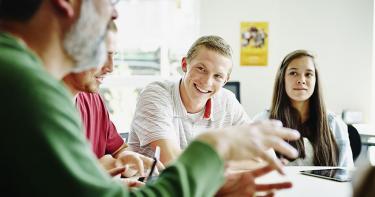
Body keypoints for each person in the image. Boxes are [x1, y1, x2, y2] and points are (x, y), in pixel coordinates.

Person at [0, 0, 300, 196]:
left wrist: (209, 184)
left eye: (218, 76)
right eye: (111, 6)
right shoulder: (22, 84)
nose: (114, 14)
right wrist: (213, 148)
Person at [128, 35, 252, 165]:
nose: (207, 82)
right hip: (152, 184)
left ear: (225, 80)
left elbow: (264, 155)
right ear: (184, 65)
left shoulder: (227, 101)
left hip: (206, 184)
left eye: (218, 76)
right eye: (201, 69)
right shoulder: (156, 94)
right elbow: (173, 163)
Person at [62, 21, 162, 179]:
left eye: (113, 55)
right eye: (102, 56)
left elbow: (118, 149)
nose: (110, 67)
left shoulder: (93, 100)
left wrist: (126, 160)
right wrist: (96, 171)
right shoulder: (37, 108)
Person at [253, 49, 354, 167]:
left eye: (308, 74)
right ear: (282, 79)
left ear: (316, 81)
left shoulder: (334, 123)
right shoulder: (263, 121)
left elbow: (346, 173)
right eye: (293, 73)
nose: (301, 80)